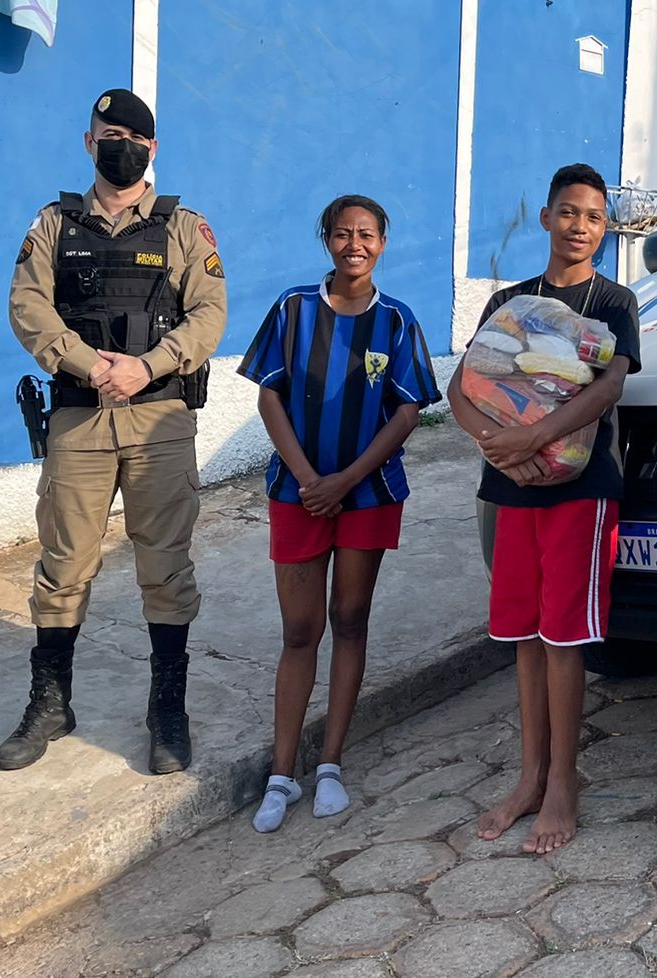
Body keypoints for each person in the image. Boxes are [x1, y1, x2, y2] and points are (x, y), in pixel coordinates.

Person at [0, 88, 227, 775]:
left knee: (165, 565)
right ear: (88, 142)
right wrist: (88, 364)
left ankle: (166, 709)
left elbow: (210, 313)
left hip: (159, 418)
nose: (120, 147)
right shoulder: (54, 225)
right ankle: (50, 704)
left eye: (133, 138)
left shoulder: (183, 227)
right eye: (108, 135)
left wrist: (148, 365)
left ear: (151, 149)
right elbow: (28, 305)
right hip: (79, 416)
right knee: (63, 563)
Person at [446, 163, 641, 855]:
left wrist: (535, 438)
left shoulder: (614, 301)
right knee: (524, 635)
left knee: (563, 637)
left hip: (579, 493)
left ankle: (563, 781)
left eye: (593, 217)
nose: (579, 226)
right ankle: (529, 776)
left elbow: (608, 387)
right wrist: (497, 447)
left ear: (604, 228)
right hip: (508, 486)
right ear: (546, 217)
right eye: (568, 212)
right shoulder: (510, 299)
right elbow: (463, 385)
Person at [237, 195, 441, 833]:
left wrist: (346, 481)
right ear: (326, 238)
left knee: (350, 621)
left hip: (368, 495)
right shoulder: (293, 309)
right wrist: (308, 480)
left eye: (368, 234)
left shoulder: (397, 321)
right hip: (297, 494)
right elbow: (269, 396)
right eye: (344, 232)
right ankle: (281, 773)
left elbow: (407, 411)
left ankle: (330, 764)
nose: (355, 243)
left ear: (383, 243)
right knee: (300, 631)